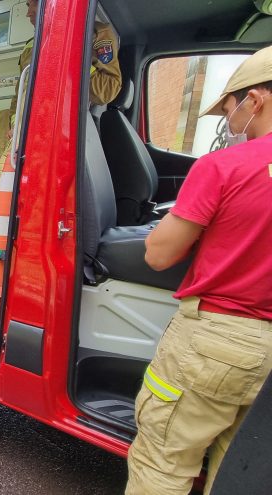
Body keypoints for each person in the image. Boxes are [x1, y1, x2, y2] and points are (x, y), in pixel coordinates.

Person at [126, 47, 272, 494]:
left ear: (256, 100)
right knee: (238, 468)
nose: (229, 120)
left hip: (219, 342)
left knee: (163, 462)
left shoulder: (226, 165)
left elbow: (158, 254)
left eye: (229, 108)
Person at [0, 0, 122, 232]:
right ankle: (4, 264)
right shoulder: (31, 44)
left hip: (58, 136)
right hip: (23, 135)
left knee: (33, 213)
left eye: (33, 4)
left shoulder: (94, 32)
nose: (28, 12)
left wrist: (68, 59)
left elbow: (107, 89)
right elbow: (21, 91)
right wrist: (14, 125)